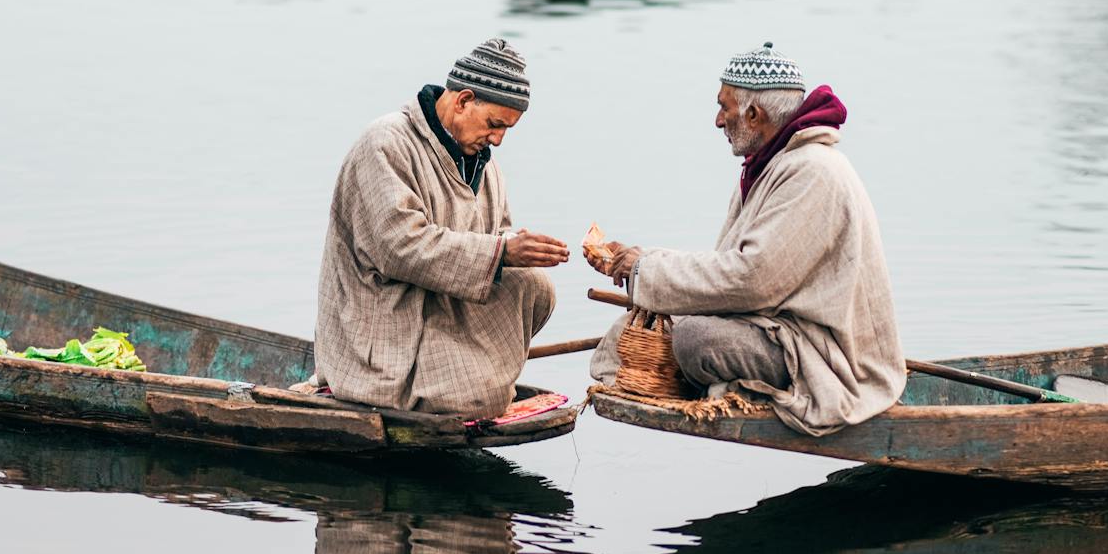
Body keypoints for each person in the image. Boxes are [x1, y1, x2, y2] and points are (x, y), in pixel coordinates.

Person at [588, 43, 905, 437]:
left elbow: (751, 281)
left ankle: (752, 389)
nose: (718, 121)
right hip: (775, 329)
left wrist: (646, 270)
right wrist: (643, 261)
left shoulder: (813, 171)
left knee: (693, 338)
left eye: (724, 107)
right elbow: (727, 268)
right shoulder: (769, 167)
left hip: (821, 355)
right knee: (640, 326)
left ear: (754, 114)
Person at [313, 38, 566, 417]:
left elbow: (497, 239)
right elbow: (400, 246)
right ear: (463, 100)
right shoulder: (385, 143)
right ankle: (437, 385)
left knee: (533, 285)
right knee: (482, 399)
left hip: (441, 314)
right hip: (385, 334)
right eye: (494, 124)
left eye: (506, 130)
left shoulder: (486, 166)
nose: (497, 139)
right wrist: (503, 252)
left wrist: (515, 249)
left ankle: (469, 375)